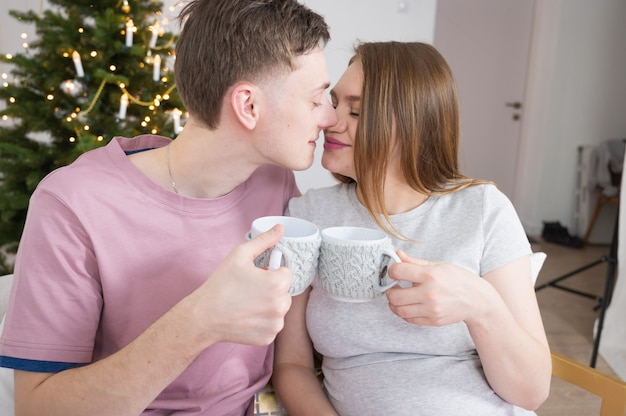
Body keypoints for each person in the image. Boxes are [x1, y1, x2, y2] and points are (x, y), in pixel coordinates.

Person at [0, 0, 336, 414]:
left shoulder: (274, 182)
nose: (330, 117)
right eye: (316, 99)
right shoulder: (72, 203)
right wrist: (199, 322)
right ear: (249, 106)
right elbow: (37, 409)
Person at [272, 41, 552, 415]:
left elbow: (531, 392)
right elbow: (291, 365)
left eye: (355, 111)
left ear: (411, 124)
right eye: (334, 103)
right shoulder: (310, 215)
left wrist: (480, 306)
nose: (329, 121)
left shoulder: (483, 209)